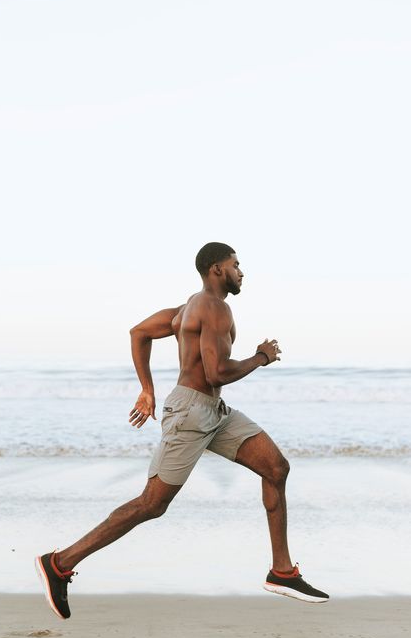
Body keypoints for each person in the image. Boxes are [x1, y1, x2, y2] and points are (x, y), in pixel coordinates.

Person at [35, 242, 329, 618]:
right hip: (192, 413)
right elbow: (216, 373)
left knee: (276, 468)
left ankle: (282, 572)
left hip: (214, 412)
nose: (242, 272)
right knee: (151, 505)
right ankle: (59, 563)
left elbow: (138, 332)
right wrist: (261, 357)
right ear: (217, 269)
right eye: (236, 265)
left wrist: (147, 388)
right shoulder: (215, 307)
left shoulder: (185, 309)